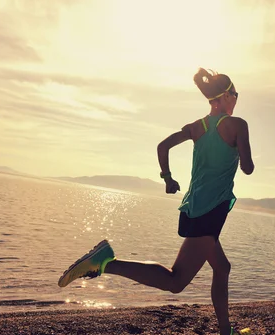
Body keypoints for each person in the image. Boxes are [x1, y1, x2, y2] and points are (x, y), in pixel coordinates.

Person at [58, 68, 255, 335]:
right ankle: (105, 262)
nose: (237, 100)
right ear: (226, 95)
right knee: (176, 281)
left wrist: (168, 178)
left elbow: (163, 146)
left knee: (222, 266)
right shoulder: (237, 125)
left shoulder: (199, 126)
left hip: (194, 209)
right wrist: (240, 155)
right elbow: (248, 168)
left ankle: (225, 331)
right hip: (210, 213)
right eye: (236, 95)